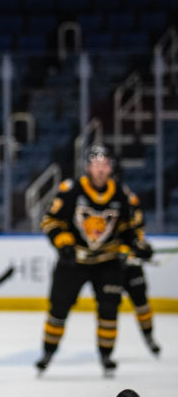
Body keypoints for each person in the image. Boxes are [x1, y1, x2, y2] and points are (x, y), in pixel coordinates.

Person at [36, 146, 152, 376]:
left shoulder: (121, 194)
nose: (100, 169)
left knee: (109, 310)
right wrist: (64, 244)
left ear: (111, 167)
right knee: (58, 308)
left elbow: (130, 229)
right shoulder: (71, 190)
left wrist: (139, 246)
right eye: (96, 164)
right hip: (73, 262)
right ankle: (48, 352)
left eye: (105, 164)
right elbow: (50, 221)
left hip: (107, 262)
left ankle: (106, 356)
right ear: (88, 167)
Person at [119, 185, 161, 356]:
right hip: (110, 267)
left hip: (132, 267)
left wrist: (142, 249)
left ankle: (149, 336)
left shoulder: (131, 205)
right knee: (108, 307)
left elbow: (138, 236)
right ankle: (106, 351)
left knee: (141, 303)